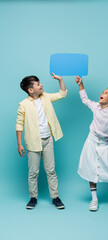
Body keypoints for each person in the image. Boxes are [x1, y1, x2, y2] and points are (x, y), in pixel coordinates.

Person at [75, 76, 108, 212]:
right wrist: (81, 85)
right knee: (91, 170)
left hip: (104, 145)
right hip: (91, 142)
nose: (102, 93)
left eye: (106, 93)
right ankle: (94, 199)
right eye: (103, 92)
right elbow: (85, 100)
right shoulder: (96, 106)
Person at [16, 73, 67, 210]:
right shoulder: (24, 105)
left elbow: (62, 94)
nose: (42, 85)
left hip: (48, 140)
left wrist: (60, 80)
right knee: (33, 172)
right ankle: (33, 197)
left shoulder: (46, 97)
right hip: (33, 143)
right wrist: (20, 143)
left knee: (51, 170)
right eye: (38, 84)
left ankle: (55, 197)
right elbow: (19, 124)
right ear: (31, 90)